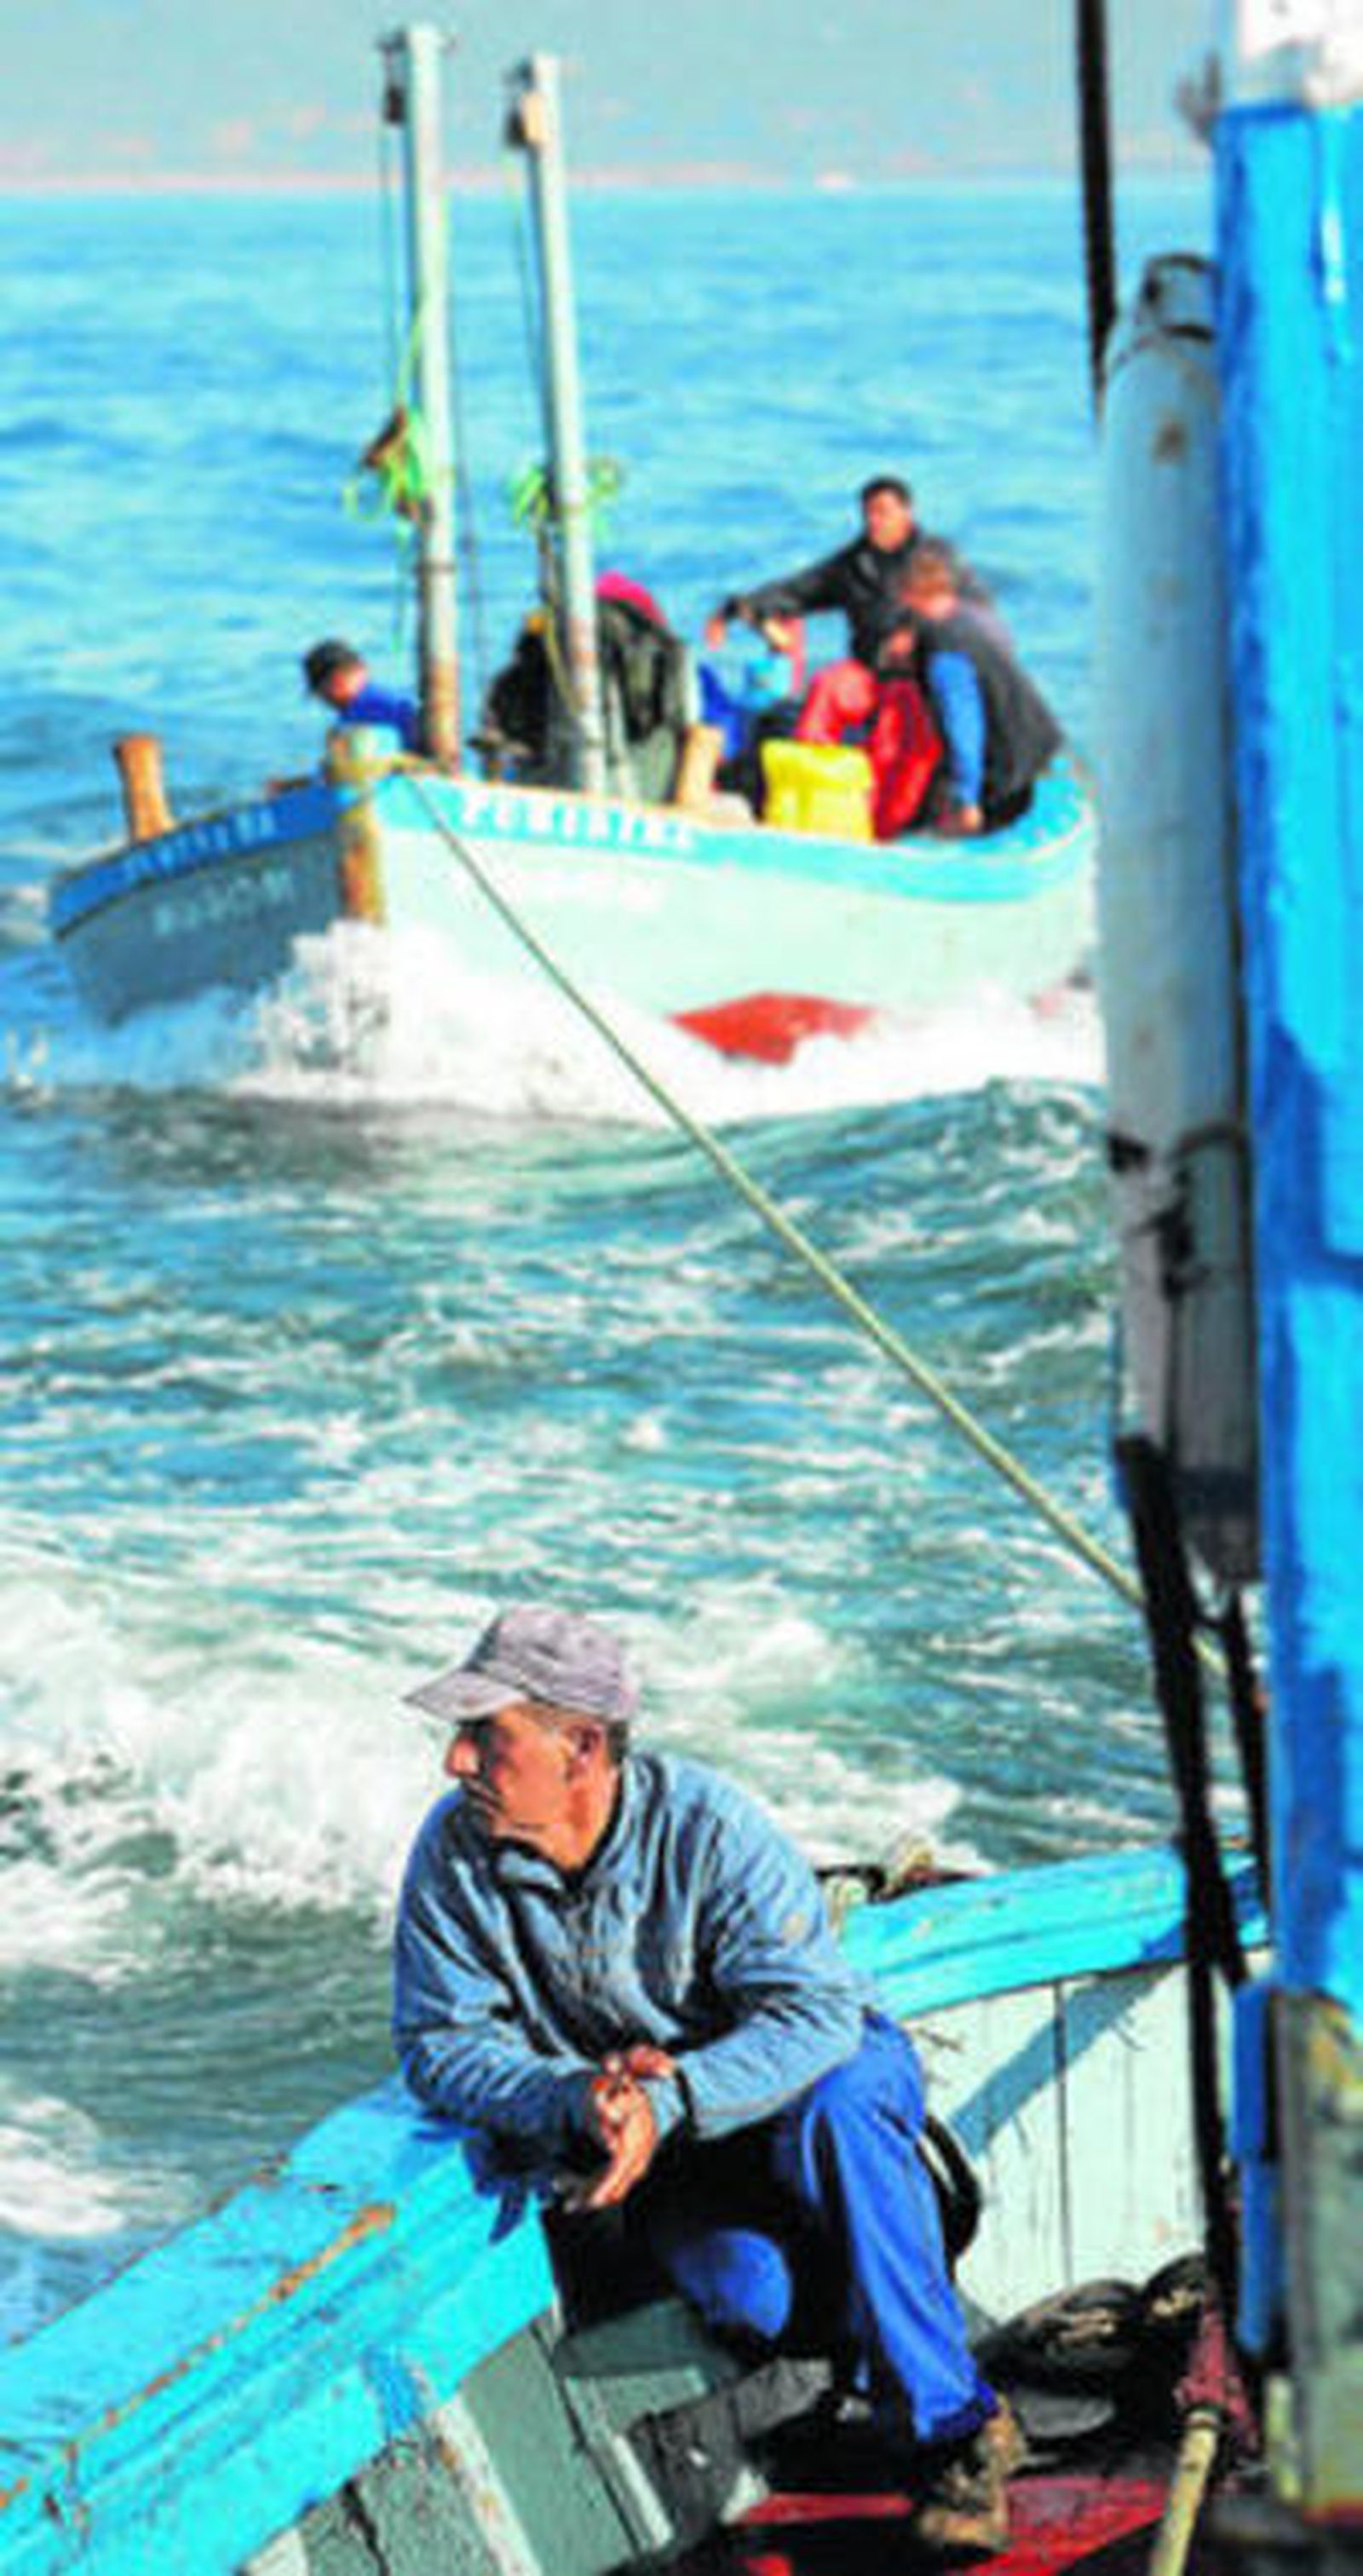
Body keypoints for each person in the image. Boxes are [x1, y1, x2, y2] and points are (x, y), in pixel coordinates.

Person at [393, 1600, 1023, 2556]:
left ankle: (952, 2432)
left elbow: (814, 2014)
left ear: (583, 1745)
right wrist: (572, 2094)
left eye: (487, 1736)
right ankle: (884, 2297)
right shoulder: (453, 1852)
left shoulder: (710, 1826)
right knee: (747, 2291)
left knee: (845, 2105)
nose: (457, 1761)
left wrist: (669, 2091)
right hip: (683, 2150)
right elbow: (440, 2041)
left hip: (808, 2080)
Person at [705, 475, 952, 751]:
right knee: (827, 685)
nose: (874, 520)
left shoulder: (933, 560)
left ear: (906, 514)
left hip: (920, 679)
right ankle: (811, 772)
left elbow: (960, 621)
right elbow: (797, 591)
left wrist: (914, 636)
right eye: (868, 513)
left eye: (883, 512)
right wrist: (733, 610)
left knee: (897, 725)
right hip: (868, 674)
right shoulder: (855, 564)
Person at [892, 544, 1063, 837]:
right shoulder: (976, 617)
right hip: (1039, 748)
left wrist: (966, 800)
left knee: (938, 829)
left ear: (909, 595)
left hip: (1006, 772)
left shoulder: (945, 647)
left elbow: (963, 723)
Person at [302, 637, 421, 752]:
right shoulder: (389, 699)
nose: (324, 701)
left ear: (336, 680)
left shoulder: (364, 711)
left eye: (321, 693)